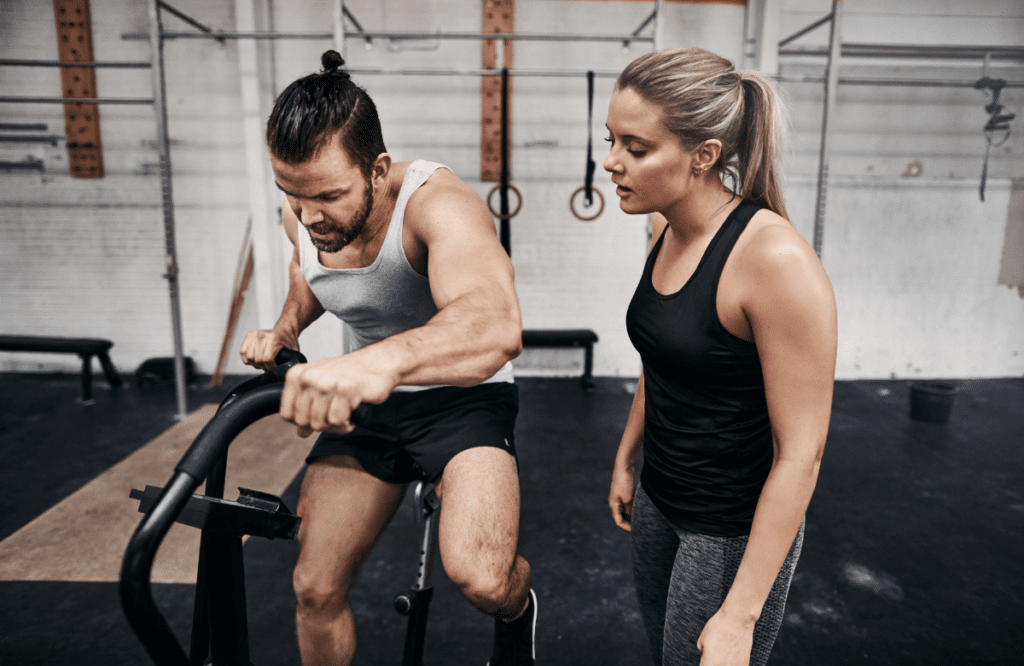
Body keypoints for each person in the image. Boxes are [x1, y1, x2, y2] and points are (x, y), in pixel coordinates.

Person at [240, 50, 537, 666]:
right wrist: (286, 327)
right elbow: (310, 270)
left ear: (377, 170)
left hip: (462, 398)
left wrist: (376, 363)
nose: (309, 215)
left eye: (327, 195)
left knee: (482, 577)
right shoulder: (305, 205)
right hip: (371, 403)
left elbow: (495, 326)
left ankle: (520, 609)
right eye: (293, 197)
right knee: (314, 587)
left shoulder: (436, 204)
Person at [604, 48, 837, 666]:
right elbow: (666, 358)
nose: (611, 162)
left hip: (729, 529)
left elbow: (801, 454)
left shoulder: (776, 263)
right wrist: (629, 456)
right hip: (661, 497)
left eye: (636, 147)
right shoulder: (664, 229)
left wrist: (740, 613)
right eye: (611, 140)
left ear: (703, 156)